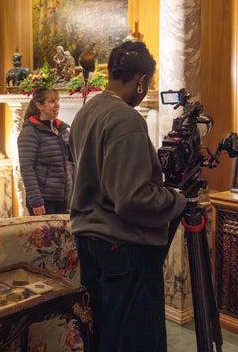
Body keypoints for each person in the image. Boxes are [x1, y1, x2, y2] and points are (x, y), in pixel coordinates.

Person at [69, 40, 187, 351]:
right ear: (141, 80)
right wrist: (176, 199)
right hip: (123, 250)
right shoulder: (127, 119)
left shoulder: (85, 112)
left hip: (90, 243)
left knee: (103, 333)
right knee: (135, 339)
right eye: (146, 85)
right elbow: (132, 199)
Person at [17, 87, 72, 215]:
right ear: (39, 105)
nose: (57, 105)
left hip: (62, 197)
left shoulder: (60, 129)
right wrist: (36, 201)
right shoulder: (30, 132)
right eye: (52, 101)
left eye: (58, 100)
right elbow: (26, 168)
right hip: (44, 200)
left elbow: (70, 158)